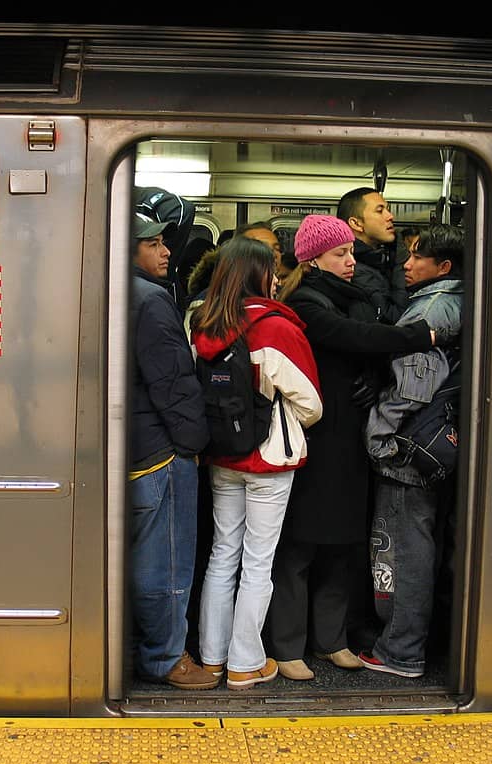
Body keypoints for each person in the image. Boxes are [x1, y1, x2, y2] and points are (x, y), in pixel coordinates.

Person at [264, 214, 442, 682]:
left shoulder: (357, 298)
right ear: (313, 258)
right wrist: (415, 337)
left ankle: (332, 640)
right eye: (339, 253)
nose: (349, 260)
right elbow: (352, 339)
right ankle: (287, 645)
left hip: (349, 438)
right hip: (316, 439)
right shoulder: (305, 300)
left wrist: (372, 375)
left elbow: (368, 351)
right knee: (301, 546)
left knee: (342, 544)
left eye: (349, 252)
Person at [192, 236, 323, 690]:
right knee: (258, 562)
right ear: (259, 275)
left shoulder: (204, 324)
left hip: (221, 456)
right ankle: (245, 662)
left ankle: (211, 657)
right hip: (267, 459)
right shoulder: (276, 327)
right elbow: (310, 402)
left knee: (221, 554)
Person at [361, 224, 464, 678]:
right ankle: (412, 640)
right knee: (426, 542)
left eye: (417, 257)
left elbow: (411, 386)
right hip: (438, 443)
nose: (406, 264)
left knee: (404, 548)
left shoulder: (433, 307)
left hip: (409, 449)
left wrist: (379, 439)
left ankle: (401, 651)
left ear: (443, 266)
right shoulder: (463, 300)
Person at [128, 211, 216, 690]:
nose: (166, 252)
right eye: (154, 243)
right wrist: (193, 444)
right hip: (159, 453)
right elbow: (174, 383)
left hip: (127, 448)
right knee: (165, 564)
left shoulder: (103, 289)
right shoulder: (151, 300)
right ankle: (165, 658)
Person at [337, 188, 407, 323]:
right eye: (380, 211)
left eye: (388, 209)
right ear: (356, 223)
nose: (390, 216)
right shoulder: (354, 270)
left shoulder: (377, 260)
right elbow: (395, 319)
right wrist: (401, 260)